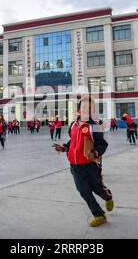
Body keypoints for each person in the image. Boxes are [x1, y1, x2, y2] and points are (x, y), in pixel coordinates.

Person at [54, 95, 113, 228]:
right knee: (83, 190)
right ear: (79, 110)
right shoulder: (73, 125)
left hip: (90, 166)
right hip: (75, 166)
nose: (86, 111)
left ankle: (108, 197)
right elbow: (73, 142)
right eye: (84, 108)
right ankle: (99, 215)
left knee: (98, 189)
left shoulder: (95, 126)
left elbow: (102, 144)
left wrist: (94, 153)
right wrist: (64, 148)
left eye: (90, 109)